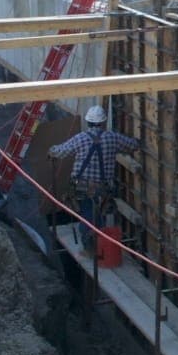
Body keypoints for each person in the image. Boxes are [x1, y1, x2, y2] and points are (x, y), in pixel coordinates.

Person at [48, 105, 139, 250]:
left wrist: (51, 150)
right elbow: (133, 145)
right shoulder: (112, 138)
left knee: (87, 215)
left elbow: (60, 152)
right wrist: (137, 140)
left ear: (88, 122)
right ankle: (100, 247)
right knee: (100, 216)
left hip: (82, 187)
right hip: (104, 188)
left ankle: (90, 247)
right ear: (103, 122)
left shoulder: (81, 138)